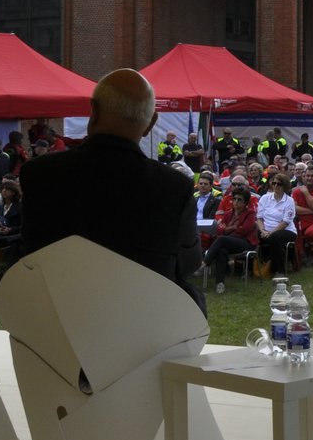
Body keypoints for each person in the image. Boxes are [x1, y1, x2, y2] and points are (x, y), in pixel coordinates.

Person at [21, 68, 204, 314]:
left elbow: (30, 250)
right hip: (143, 322)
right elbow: (188, 264)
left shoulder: (38, 173)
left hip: (55, 318)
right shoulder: (174, 187)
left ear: (93, 111)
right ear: (151, 124)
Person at [204, 186, 259, 292]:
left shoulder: (250, 213)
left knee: (222, 240)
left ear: (245, 202)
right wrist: (233, 228)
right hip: (231, 242)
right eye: (234, 199)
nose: (236, 202)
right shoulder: (229, 213)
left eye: (239, 200)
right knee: (221, 250)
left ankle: (205, 262)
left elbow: (244, 231)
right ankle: (220, 283)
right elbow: (219, 230)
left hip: (246, 243)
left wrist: (227, 230)